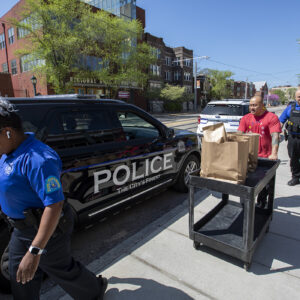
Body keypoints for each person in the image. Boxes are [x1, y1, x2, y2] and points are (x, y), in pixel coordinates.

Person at [0, 99, 107, 300]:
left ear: (7, 132)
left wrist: (35, 250)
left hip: (45, 228)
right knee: (19, 274)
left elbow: (54, 204)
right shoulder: (7, 151)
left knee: (62, 270)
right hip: (20, 228)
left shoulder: (39, 159)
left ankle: (95, 290)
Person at [238, 95, 281, 207]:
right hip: (249, 156)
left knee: (264, 184)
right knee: (245, 181)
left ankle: (262, 202)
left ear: (262, 106)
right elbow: (239, 136)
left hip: (265, 157)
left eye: (255, 105)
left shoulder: (271, 117)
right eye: (250, 105)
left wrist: (274, 153)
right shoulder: (245, 118)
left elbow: (275, 136)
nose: (252, 107)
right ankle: (245, 203)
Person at [279, 89, 300, 186]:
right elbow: (281, 121)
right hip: (293, 138)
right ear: (295, 98)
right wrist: (277, 133)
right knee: (293, 158)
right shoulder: (290, 108)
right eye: (299, 97)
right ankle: (295, 177)